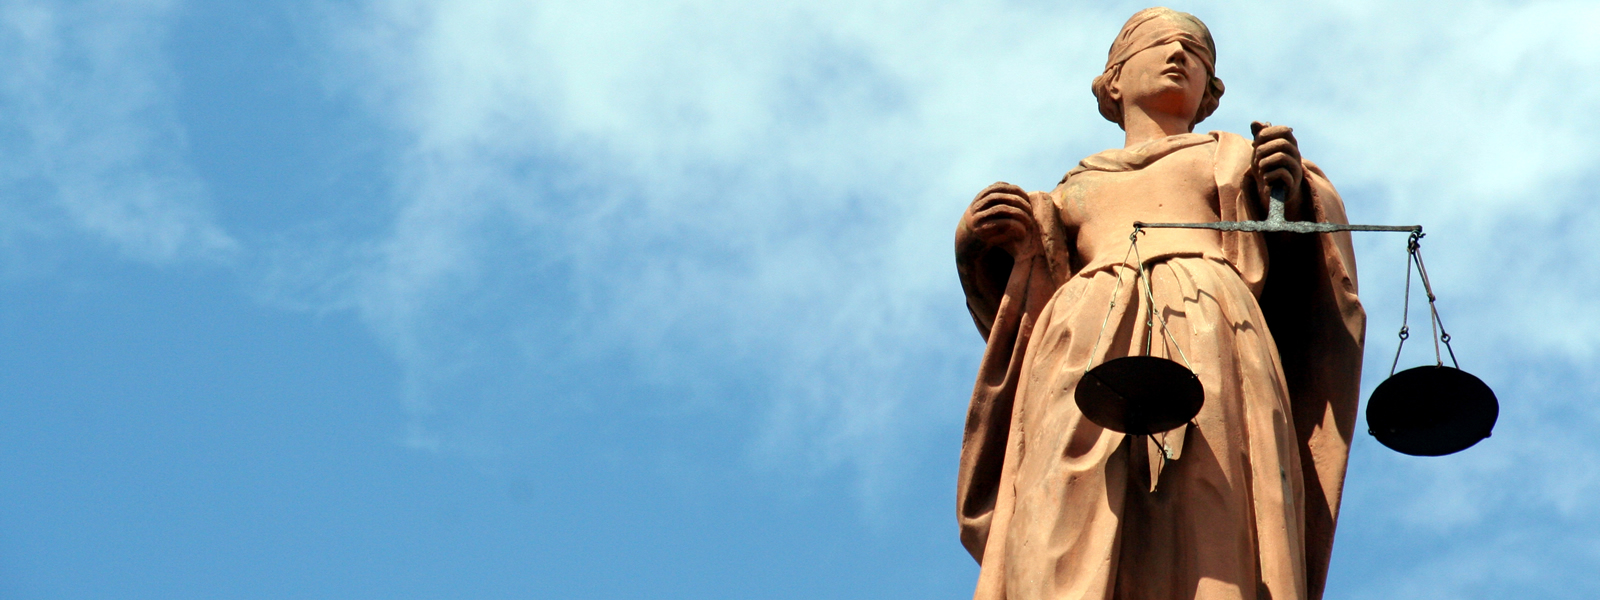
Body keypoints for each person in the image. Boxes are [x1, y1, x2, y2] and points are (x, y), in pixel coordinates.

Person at [953, 8, 1366, 600]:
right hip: (1083, 343)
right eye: (1160, 44)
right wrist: (981, 237)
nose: (1179, 56)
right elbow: (1029, 301)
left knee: (1210, 493)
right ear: (1114, 80)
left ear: (1210, 91)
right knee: (1059, 512)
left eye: (1195, 53)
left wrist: (1292, 189)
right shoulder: (1072, 189)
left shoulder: (1233, 157)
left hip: (1211, 327)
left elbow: (1306, 264)